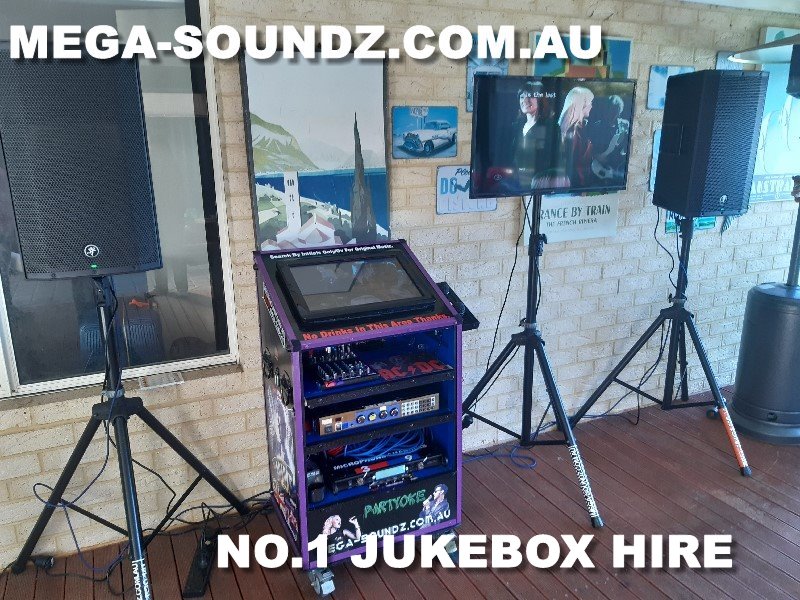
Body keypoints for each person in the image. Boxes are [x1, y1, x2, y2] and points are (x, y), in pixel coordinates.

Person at [510, 81, 556, 191]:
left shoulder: (551, 127)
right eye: (522, 97)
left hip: (538, 184)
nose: (525, 100)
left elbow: (553, 161)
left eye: (530, 96)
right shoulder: (515, 126)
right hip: (515, 183)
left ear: (540, 99)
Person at [558, 86, 595, 188]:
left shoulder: (579, 128)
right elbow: (573, 162)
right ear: (582, 104)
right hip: (575, 184)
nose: (592, 106)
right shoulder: (574, 131)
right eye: (590, 102)